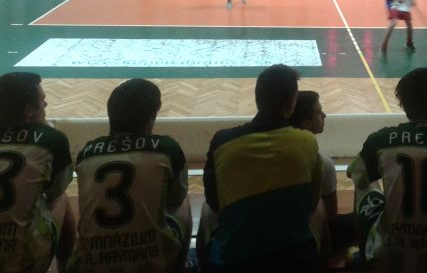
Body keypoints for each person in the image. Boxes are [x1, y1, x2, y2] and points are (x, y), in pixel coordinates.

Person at [199, 64, 323, 273]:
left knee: (205, 210)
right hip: (295, 261)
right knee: (320, 209)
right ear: (291, 103)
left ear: (258, 99)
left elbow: (213, 201)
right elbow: (311, 203)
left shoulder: (222, 141)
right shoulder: (307, 141)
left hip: (232, 264)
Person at [348, 67, 427, 272]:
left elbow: (357, 176)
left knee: (364, 186)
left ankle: (365, 255)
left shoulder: (381, 140)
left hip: (390, 259)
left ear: (403, 103)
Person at [68, 79, 191, 273]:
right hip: (152, 263)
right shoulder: (167, 148)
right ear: (151, 119)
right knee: (184, 204)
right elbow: (176, 198)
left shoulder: (87, 152)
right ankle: (180, 267)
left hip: (90, 265)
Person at [0, 72, 76, 272]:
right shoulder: (51, 140)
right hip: (23, 261)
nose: (46, 104)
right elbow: (55, 190)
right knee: (61, 198)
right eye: (42, 100)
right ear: (29, 110)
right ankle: (63, 267)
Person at [288, 91, 357, 253]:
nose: (324, 115)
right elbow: (331, 216)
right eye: (319, 113)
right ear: (306, 124)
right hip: (303, 241)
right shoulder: (323, 164)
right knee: (360, 219)